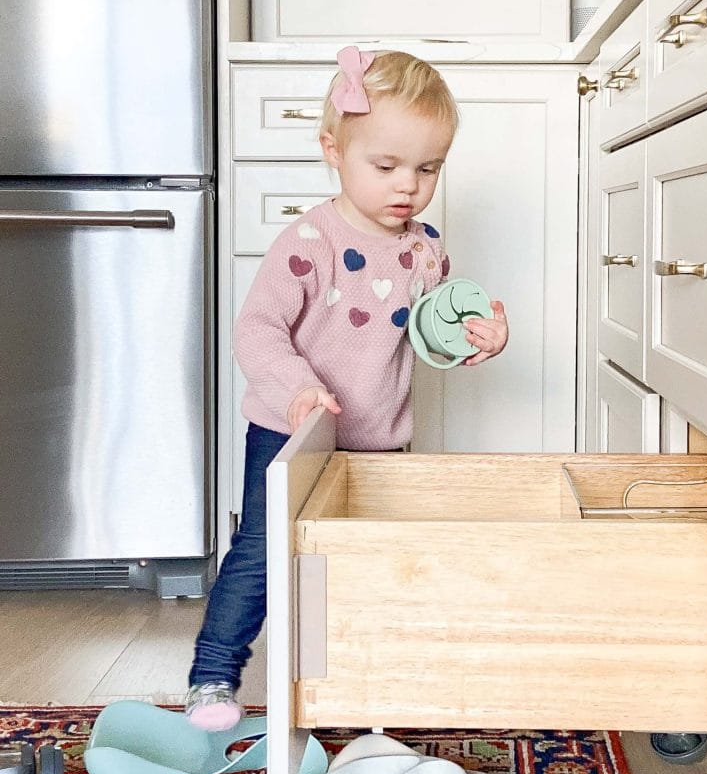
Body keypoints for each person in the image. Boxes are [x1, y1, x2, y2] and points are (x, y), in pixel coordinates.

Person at [185, 47, 509, 730]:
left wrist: (478, 333)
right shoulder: (310, 240)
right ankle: (213, 674)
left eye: (428, 169)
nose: (409, 186)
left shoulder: (425, 248)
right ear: (333, 148)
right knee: (266, 548)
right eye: (386, 166)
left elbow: (431, 330)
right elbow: (256, 330)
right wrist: (299, 386)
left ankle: (361, 684)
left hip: (378, 440)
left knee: (366, 563)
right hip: (290, 429)